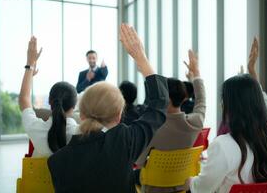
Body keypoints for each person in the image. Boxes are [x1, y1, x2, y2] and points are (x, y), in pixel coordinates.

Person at [47, 24, 169, 193]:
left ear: (81, 114)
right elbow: (159, 105)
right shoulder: (124, 141)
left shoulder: (56, 161)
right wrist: (141, 57)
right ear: (119, 116)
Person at [187, 38, 267, 193]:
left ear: (231, 106)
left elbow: (202, 189)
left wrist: (190, 181)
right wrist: (252, 70)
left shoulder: (224, 145)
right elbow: (262, 104)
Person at [135, 50, 206, 192]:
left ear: (165, 99)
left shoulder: (153, 127)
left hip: (152, 188)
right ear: (184, 97)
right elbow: (201, 101)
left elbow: (139, 162)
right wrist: (196, 74)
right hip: (181, 185)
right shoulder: (195, 122)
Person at [19, 37, 78, 157]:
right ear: (74, 107)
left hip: (38, 176)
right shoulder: (81, 132)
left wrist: (30, 65)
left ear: (50, 102)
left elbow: (24, 98)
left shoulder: (35, 128)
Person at [217, 37, 267, 136]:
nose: (222, 103)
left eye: (224, 98)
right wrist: (251, 69)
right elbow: (261, 103)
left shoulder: (224, 142)